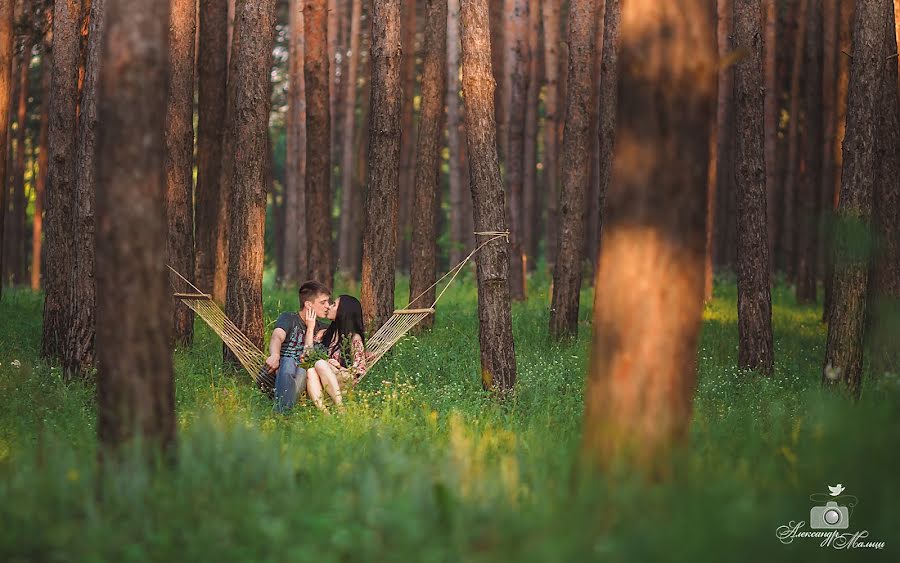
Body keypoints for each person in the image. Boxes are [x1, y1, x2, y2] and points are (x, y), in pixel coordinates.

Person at [266, 280, 331, 413]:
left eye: (328, 302)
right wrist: (275, 355)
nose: (327, 306)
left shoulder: (324, 328)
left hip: (304, 372)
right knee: (289, 362)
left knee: (302, 370)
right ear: (308, 304)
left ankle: (281, 413)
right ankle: (284, 413)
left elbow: (345, 339)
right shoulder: (289, 318)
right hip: (282, 367)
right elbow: (277, 336)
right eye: (323, 302)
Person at [316, 294, 368, 387]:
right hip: (325, 377)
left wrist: (339, 367)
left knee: (321, 364)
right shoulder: (328, 334)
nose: (329, 307)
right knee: (312, 370)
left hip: (342, 379)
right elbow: (309, 353)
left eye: (334, 305)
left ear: (343, 311)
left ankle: (338, 400)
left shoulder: (354, 338)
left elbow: (360, 370)